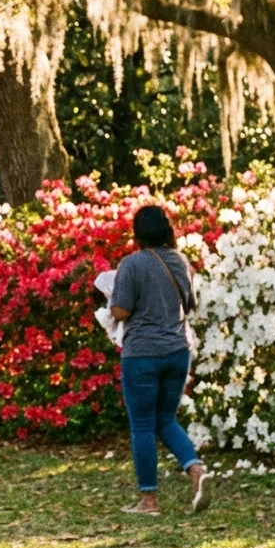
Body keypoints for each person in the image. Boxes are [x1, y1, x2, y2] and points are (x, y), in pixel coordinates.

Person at [110, 205, 210, 515]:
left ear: (137, 233)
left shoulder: (132, 264)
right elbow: (190, 305)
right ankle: (195, 467)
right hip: (177, 351)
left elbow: (121, 310)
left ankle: (149, 501)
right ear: (168, 230)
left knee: (142, 425)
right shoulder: (180, 261)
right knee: (165, 418)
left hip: (142, 353)